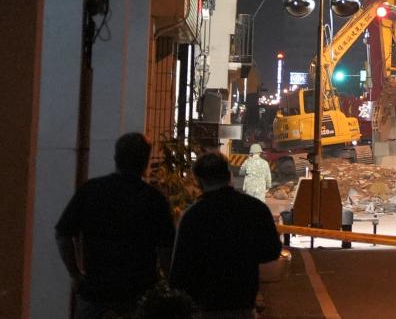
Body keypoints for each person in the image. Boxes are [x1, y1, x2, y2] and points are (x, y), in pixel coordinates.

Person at [54, 132, 176, 318]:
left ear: (116, 158)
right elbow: (165, 249)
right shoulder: (154, 199)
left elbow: (63, 234)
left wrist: (76, 274)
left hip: (96, 293)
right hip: (137, 296)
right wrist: (170, 287)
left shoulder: (92, 190)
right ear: (145, 161)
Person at [171, 151, 282, 318]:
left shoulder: (192, 216)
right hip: (242, 305)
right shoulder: (255, 208)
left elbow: (179, 272)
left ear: (198, 181)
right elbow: (272, 250)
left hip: (205, 307)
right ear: (229, 175)